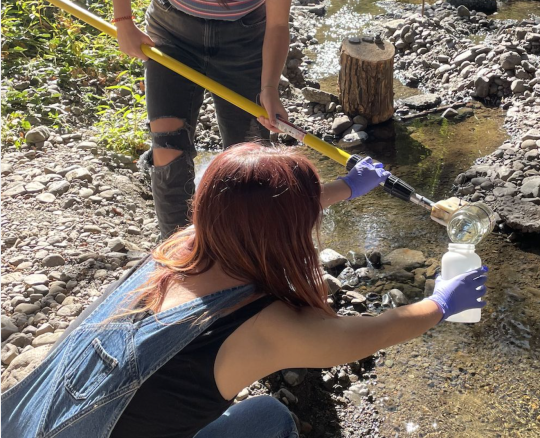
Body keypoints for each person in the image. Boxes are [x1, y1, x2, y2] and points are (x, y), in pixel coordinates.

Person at [1, 144, 488, 438]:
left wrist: (349, 186)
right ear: (293, 230)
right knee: (267, 417)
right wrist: (441, 303)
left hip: (23, 424)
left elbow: (257, 210)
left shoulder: (180, 248)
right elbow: (357, 338)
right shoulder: (264, 326)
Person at [112, 0, 292, 238]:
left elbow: (278, 24)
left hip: (245, 43)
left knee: (250, 159)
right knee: (167, 150)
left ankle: (244, 252)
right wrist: (124, 22)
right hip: (172, 34)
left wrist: (269, 87)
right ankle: (178, 253)